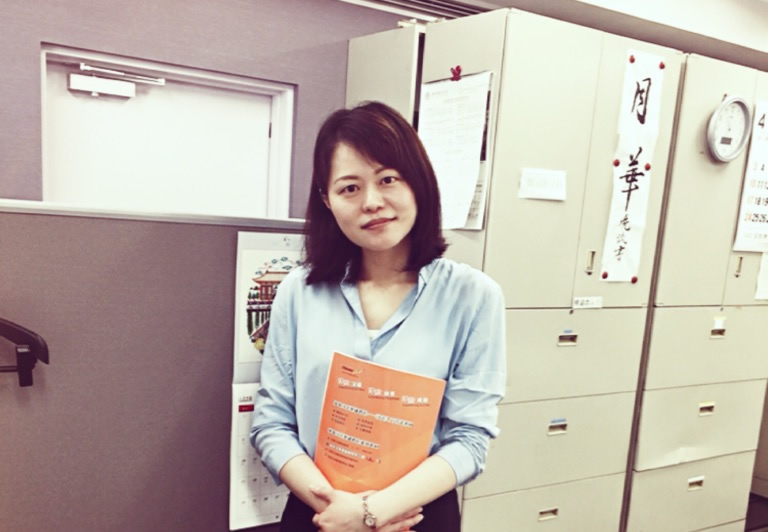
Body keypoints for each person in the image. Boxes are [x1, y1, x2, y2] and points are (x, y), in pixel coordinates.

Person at [250, 101, 506, 532]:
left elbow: (469, 438)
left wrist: (372, 513)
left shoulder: (473, 296)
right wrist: (337, 510)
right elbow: (272, 422)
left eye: (388, 179)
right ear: (326, 200)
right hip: (319, 511)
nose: (372, 202)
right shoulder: (299, 291)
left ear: (418, 183)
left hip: (416, 515)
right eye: (349, 188)